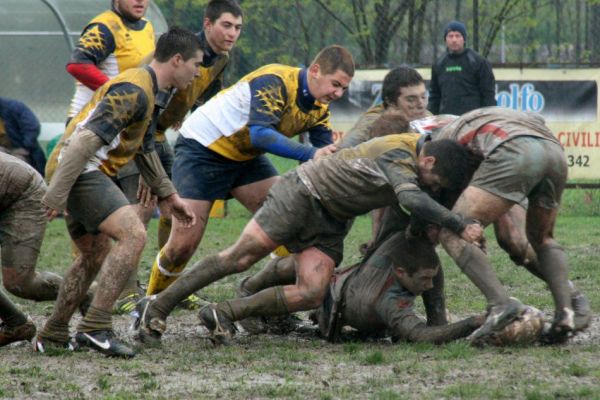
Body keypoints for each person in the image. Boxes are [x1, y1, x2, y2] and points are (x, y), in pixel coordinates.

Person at [136, 130, 485, 345]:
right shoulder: (400, 151)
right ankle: (158, 306)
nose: (433, 189)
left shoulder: (421, 163)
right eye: (435, 181)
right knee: (240, 256)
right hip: (303, 193)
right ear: (430, 159)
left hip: (332, 221)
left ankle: (223, 313)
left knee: (313, 292)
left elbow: (408, 210)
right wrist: (458, 224)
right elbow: (411, 200)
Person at [33, 27, 202, 358]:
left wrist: (168, 195)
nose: (198, 72)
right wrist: (56, 194)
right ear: (177, 60)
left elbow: (143, 147)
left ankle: (53, 332)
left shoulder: (152, 91)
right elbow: (84, 141)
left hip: (81, 170)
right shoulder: (134, 90)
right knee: (134, 234)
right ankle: (95, 327)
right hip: (79, 169)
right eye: (195, 64)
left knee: (94, 255)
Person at [141, 45, 352, 305]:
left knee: (291, 221)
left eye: (344, 88)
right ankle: (151, 303)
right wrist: (310, 154)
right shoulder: (276, 81)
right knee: (183, 246)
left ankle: (260, 296)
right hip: (203, 147)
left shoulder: (320, 106)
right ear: (316, 70)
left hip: (244, 157)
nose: (339, 93)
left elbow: (323, 154)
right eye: (336, 84)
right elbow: (261, 134)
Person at [432, 106, 588, 344]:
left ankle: (500, 306)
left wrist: (465, 222)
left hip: (512, 151)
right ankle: (569, 309)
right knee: (539, 238)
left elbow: (454, 182)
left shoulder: (444, 139)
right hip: (553, 152)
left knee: (451, 230)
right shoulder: (487, 121)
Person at [145, 0, 244, 303]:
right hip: (137, 133)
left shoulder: (222, 58)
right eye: (226, 25)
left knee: (172, 208)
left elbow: (211, 94)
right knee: (139, 211)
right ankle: (127, 294)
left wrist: (190, 115)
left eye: (238, 27)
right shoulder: (182, 51)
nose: (232, 33)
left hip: (162, 135)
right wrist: (143, 152)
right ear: (207, 24)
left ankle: (168, 285)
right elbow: (145, 95)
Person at [340, 66, 429, 149]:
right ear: (390, 102)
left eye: (423, 96)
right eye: (411, 99)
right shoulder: (372, 122)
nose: (421, 104)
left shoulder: (426, 116)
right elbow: (340, 153)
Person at [428, 21, 496, 116]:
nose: (454, 40)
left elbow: (488, 94)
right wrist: (431, 116)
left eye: (458, 36)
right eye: (450, 36)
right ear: (445, 40)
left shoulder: (478, 62)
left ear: (464, 39)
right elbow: (434, 96)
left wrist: (488, 117)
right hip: (447, 120)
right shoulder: (439, 64)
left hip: (472, 119)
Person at [0, 97, 46, 175]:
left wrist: (25, 147)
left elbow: (32, 126)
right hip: (3, 150)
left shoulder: (14, 107)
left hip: (20, 149)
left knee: (17, 168)